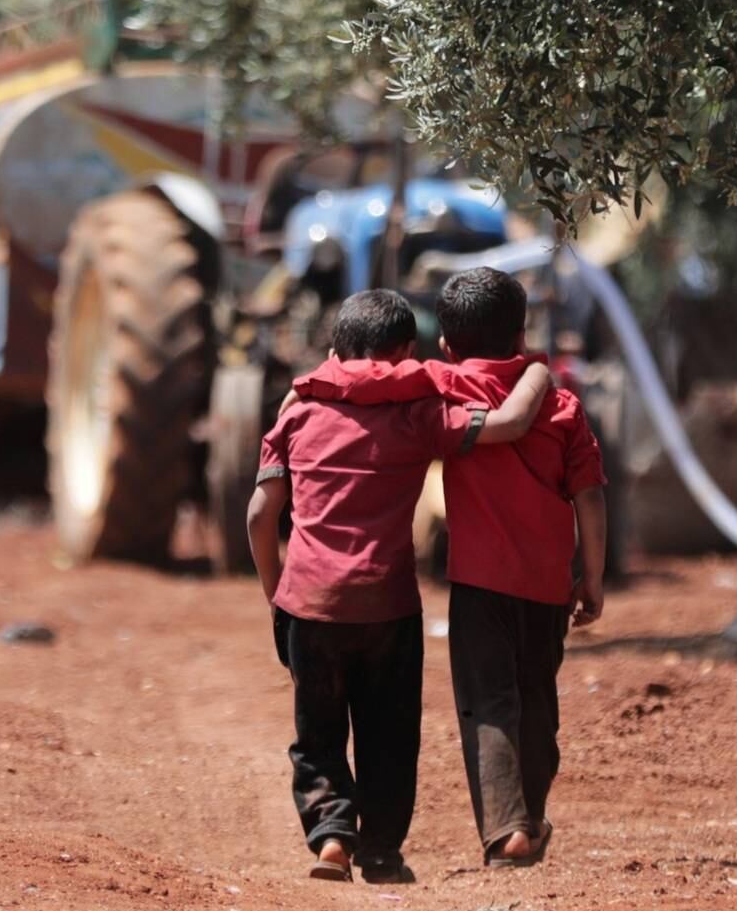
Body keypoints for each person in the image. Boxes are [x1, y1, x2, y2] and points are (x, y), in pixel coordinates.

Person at [291, 266, 607, 869]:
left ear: (446, 343)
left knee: (488, 703)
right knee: (537, 701)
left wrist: (307, 392)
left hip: (478, 584)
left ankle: (507, 827)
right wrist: (591, 576)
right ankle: (530, 819)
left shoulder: (440, 383)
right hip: (546, 585)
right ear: (520, 332)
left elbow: (367, 382)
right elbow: (590, 496)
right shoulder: (562, 403)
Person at [246, 289, 552, 885]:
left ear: (335, 348)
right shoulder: (419, 416)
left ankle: (332, 837)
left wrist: (275, 592)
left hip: (308, 603)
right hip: (388, 605)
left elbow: (261, 514)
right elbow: (511, 423)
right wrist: (539, 370)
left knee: (318, 732)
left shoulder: (299, 411)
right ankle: (382, 852)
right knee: (389, 734)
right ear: (408, 351)